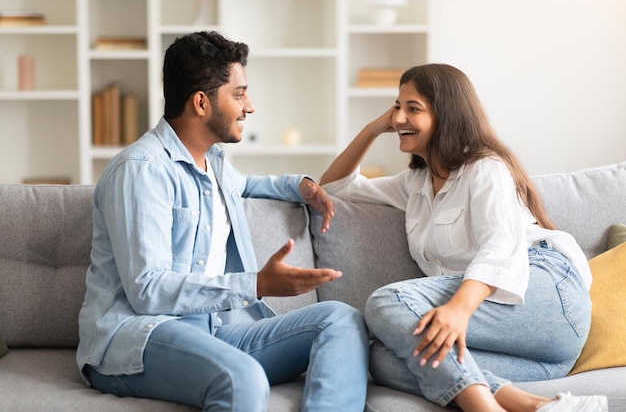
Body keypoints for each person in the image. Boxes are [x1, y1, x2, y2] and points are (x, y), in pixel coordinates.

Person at [76, 31, 369, 412]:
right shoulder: (141, 171)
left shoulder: (212, 162)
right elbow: (148, 291)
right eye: (239, 93)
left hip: (214, 332)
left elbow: (245, 185)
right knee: (242, 378)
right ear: (201, 102)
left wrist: (300, 186)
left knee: (342, 320)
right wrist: (257, 284)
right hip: (139, 338)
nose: (249, 106)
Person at [319, 63, 608, 412]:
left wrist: (458, 310)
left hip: (547, 294)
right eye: (397, 107)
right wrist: (374, 127)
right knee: (382, 359)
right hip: (533, 355)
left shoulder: (485, 168)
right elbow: (334, 187)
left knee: (387, 301)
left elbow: (500, 246)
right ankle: (536, 406)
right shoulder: (415, 184)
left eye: (413, 109)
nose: (398, 118)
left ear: (447, 115)